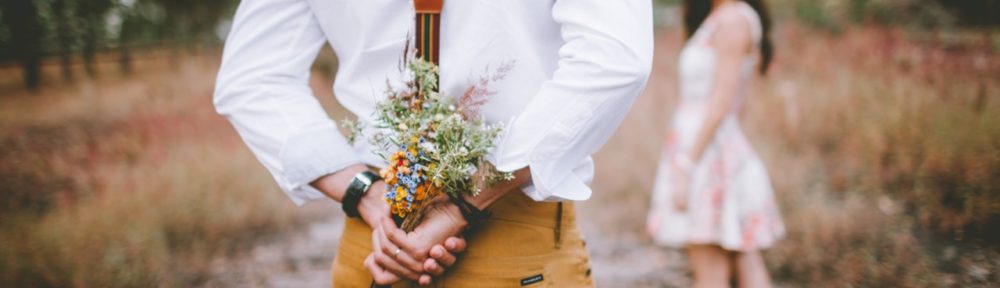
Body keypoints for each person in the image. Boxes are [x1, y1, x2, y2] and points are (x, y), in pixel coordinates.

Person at [214, 0, 653, 286]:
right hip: (506, 251)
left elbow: (252, 78)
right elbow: (614, 58)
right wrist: (460, 200)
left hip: (376, 250)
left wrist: (365, 190)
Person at [645, 0, 784, 287]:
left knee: (712, 271)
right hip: (709, 145)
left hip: (706, 153)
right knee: (744, 258)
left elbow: (722, 102)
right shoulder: (721, 17)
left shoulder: (732, 20)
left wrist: (687, 164)